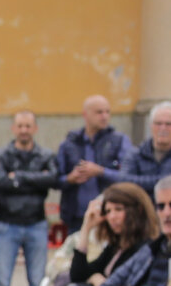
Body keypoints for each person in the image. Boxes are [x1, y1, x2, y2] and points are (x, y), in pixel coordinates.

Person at [0, 111, 58, 286]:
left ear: (35, 128)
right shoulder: (2, 155)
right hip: (7, 224)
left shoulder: (45, 155)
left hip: (36, 223)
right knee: (2, 281)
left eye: (28, 126)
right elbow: (1, 182)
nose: (24, 130)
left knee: (37, 280)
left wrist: (18, 177)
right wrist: (35, 180)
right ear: (13, 128)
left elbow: (51, 179)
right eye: (20, 126)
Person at [55, 182, 158, 286]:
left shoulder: (145, 248)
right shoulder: (116, 246)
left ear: (138, 210)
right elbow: (78, 275)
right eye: (108, 211)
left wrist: (100, 282)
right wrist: (86, 227)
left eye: (118, 209)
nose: (112, 217)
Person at [55, 94, 133, 233]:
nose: (104, 116)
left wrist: (101, 171)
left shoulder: (119, 141)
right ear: (85, 114)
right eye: (99, 112)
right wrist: (70, 179)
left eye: (107, 112)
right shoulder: (69, 143)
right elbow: (55, 179)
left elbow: (128, 177)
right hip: (76, 218)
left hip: (109, 217)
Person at [111, 101, 171, 193]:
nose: (163, 128)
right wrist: (167, 181)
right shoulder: (135, 154)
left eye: (169, 124)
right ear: (151, 126)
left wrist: (141, 182)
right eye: (158, 123)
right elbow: (123, 182)